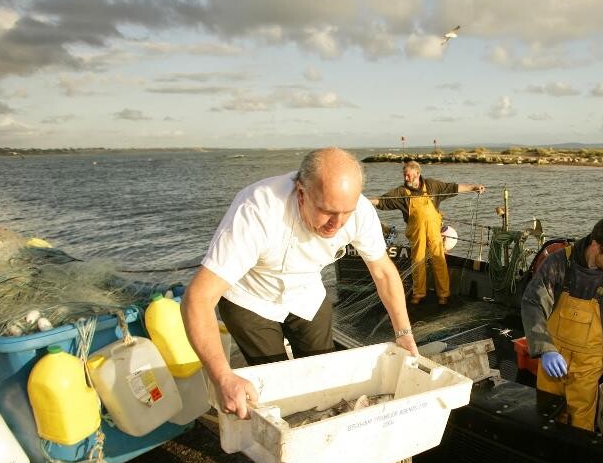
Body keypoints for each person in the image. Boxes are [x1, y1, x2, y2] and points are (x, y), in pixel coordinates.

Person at [181, 147, 417, 421]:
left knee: (322, 372)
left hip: (307, 293)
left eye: (346, 213)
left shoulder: (360, 212)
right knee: (275, 380)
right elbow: (197, 298)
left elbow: (384, 273)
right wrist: (222, 376)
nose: (337, 225)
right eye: (327, 211)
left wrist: (404, 333)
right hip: (251, 299)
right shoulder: (258, 209)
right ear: (301, 193)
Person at [521, 216, 603, 431]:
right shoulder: (558, 262)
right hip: (553, 357)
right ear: (596, 246)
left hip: (589, 363)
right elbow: (532, 304)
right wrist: (544, 349)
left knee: (581, 421)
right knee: (547, 413)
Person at [370, 161, 485, 305]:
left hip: (434, 233)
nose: (405, 179)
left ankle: (444, 294)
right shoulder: (401, 192)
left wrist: (473, 187)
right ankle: (419, 293)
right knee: (418, 262)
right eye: (404, 175)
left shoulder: (432, 186)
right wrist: (365, 201)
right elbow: (382, 201)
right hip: (416, 235)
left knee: (439, 260)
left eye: (408, 176)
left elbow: (453, 187)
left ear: (417, 174)